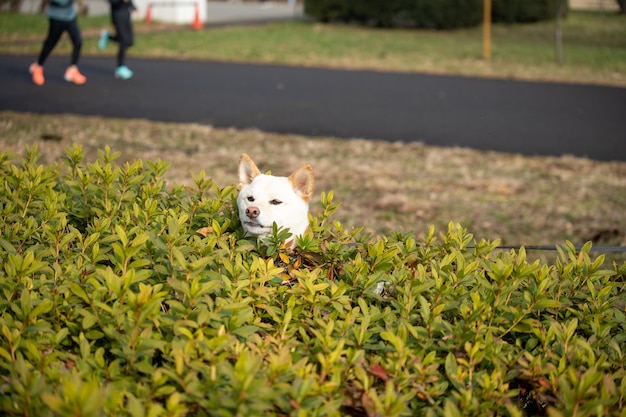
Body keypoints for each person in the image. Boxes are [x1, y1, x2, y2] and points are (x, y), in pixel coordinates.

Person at [30, 0, 87, 86]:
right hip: (57, 17)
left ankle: (72, 69)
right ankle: (38, 66)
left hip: (70, 16)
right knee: (51, 43)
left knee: (78, 41)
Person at [98, 0, 136, 80]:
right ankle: (120, 68)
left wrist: (133, 6)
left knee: (129, 42)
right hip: (117, 16)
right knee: (123, 41)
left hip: (126, 15)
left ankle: (108, 36)